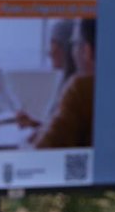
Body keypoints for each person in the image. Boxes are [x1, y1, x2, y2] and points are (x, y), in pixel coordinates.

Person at [33, 17, 96, 149]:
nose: (50, 52)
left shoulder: (80, 88)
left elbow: (43, 149)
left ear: (87, 50)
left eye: (74, 43)